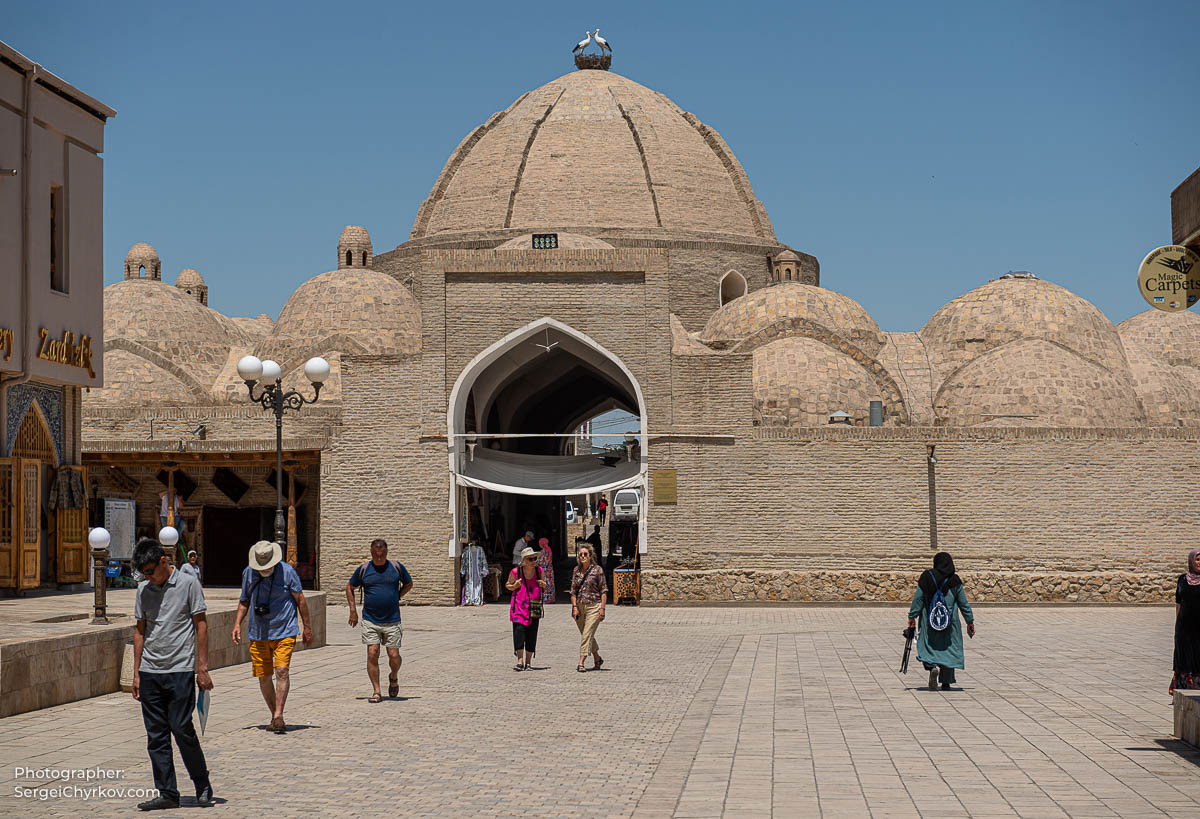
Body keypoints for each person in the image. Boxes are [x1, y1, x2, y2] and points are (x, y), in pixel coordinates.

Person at [130, 537, 213, 810]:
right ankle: (167, 793)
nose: (148, 577)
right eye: (143, 573)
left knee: (181, 728)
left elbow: (200, 625)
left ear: (164, 561)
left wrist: (201, 667)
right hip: (150, 671)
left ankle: (202, 784)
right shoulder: (143, 591)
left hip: (179, 669)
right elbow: (140, 630)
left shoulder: (188, 584)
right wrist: (136, 673)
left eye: (151, 571)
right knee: (156, 736)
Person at [232, 541, 313, 733]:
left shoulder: (287, 572)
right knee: (264, 676)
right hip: (258, 632)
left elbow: (300, 599)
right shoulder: (248, 573)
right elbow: (244, 600)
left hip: (284, 629)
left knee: (282, 670)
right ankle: (274, 715)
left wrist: (307, 627)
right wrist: (237, 624)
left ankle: (278, 715)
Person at [346, 538, 413, 702]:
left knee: (394, 655)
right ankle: (376, 691)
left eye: (382, 556)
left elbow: (409, 583)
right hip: (370, 619)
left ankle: (394, 676)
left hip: (392, 620)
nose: (379, 559)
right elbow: (350, 587)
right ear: (371, 553)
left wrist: (397, 596)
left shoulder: (396, 568)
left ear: (386, 553)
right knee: (372, 653)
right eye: (376, 556)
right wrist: (353, 611)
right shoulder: (364, 569)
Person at [907, 552, 975, 691]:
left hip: (929, 621)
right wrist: (970, 621)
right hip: (950, 623)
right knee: (948, 649)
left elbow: (918, 599)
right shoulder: (954, 580)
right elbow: (963, 603)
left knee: (927, 646)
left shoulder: (926, 577)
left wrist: (912, 616)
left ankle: (931, 667)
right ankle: (946, 682)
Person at [507, 546, 547, 670]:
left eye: (534, 559)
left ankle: (528, 662)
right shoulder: (516, 572)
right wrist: (515, 585)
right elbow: (508, 585)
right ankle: (520, 661)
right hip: (519, 606)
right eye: (530, 559)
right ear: (524, 560)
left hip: (534, 606)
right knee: (519, 632)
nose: (533, 561)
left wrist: (543, 585)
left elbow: (544, 585)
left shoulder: (539, 571)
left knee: (532, 633)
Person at [571, 543, 608, 673]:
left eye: (585, 554)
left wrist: (602, 609)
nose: (582, 556)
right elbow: (573, 591)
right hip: (580, 607)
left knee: (586, 634)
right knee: (587, 634)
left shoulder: (598, 570)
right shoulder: (576, 570)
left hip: (594, 606)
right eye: (580, 554)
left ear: (590, 555)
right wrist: (575, 607)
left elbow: (603, 590)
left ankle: (581, 662)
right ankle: (597, 658)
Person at [1172, 549, 1200, 693]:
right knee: (1184, 654)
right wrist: (1178, 624)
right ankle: (1182, 686)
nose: (1199, 562)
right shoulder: (1182, 579)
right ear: (1191, 561)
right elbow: (1178, 602)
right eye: (1197, 559)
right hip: (1184, 625)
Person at [535, 536, 556, 603]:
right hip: (550, 570)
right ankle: (551, 599)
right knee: (550, 584)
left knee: (545, 584)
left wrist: (535, 563)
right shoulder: (549, 550)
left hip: (544, 571)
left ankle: (546, 599)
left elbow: (541, 562)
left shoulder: (543, 552)